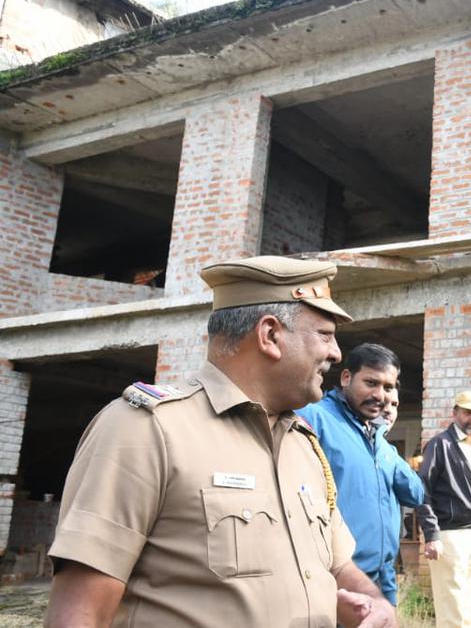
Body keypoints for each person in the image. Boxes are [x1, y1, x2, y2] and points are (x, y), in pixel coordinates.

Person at [44, 255, 396, 628]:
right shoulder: (146, 429)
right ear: (270, 335)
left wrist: (374, 602)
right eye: (325, 335)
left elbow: (337, 564)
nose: (336, 353)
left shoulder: (303, 444)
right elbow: (80, 612)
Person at [298, 343, 425, 605]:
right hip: (339, 579)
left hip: (384, 575)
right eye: (371, 382)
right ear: (346, 378)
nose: (380, 395)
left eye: (388, 387)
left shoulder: (377, 437)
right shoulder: (314, 418)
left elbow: (416, 495)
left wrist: (387, 450)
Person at [418, 390, 471, 628]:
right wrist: (431, 534)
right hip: (448, 537)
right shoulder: (440, 444)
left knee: (465, 610)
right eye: (468, 412)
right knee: (452, 612)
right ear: (455, 412)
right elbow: (422, 490)